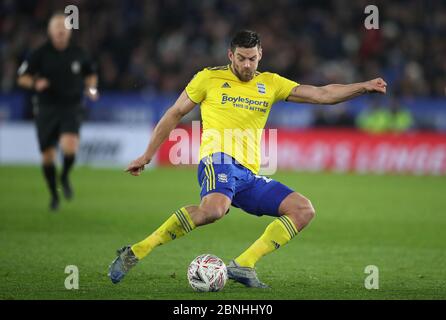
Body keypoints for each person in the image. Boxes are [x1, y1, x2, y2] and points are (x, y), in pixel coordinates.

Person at [108, 30, 386, 287]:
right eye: (241, 58)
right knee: (214, 209)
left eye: (252, 59)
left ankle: (243, 264)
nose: (247, 65)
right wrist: (147, 155)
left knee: (303, 210)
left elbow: (322, 94)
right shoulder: (208, 78)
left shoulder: (271, 83)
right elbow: (174, 113)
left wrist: (363, 86)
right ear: (230, 55)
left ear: (260, 55)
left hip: (248, 175)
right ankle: (136, 252)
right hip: (218, 159)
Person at [17, 13, 98, 211]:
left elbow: (91, 75)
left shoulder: (79, 53)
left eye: (64, 27)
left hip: (71, 106)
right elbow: (22, 78)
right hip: (46, 108)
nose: (61, 30)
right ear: (50, 31)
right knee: (48, 157)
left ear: (69, 31)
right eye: (57, 27)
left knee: (70, 148)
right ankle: (54, 194)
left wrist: (92, 89)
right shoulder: (39, 53)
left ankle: (64, 176)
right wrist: (36, 82)